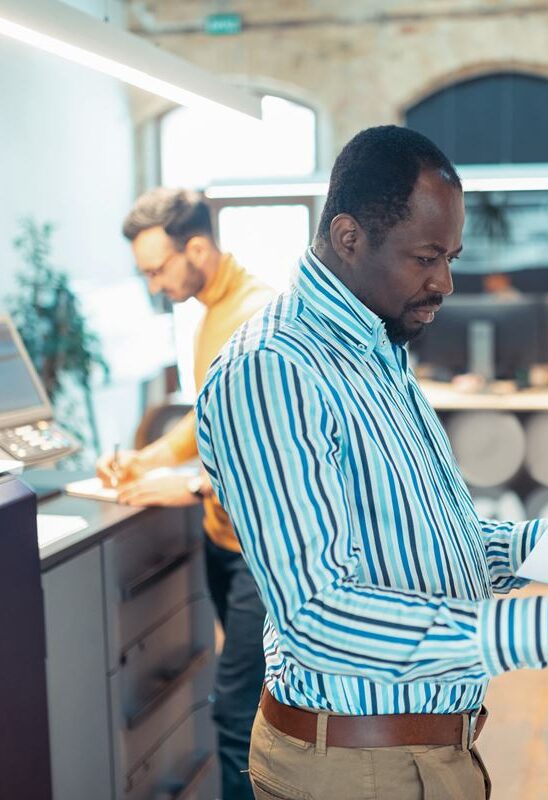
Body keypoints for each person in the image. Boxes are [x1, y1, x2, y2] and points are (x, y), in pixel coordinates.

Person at [195, 126, 548, 800]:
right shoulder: (273, 371)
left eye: (451, 256)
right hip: (354, 766)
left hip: (426, 750)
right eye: (425, 256)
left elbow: (427, 551)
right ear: (349, 238)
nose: (445, 280)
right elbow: (318, 614)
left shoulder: (376, 347)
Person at [96, 188, 273, 800]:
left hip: (261, 555)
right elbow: (209, 417)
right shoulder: (208, 315)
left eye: (156, 270)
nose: (153, 286)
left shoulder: (258, 317)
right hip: (224, 544)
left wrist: (193, 483)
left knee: (236, 714)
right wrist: (148, 457)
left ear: (196, 247)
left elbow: (274, 452)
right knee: (259, 707)